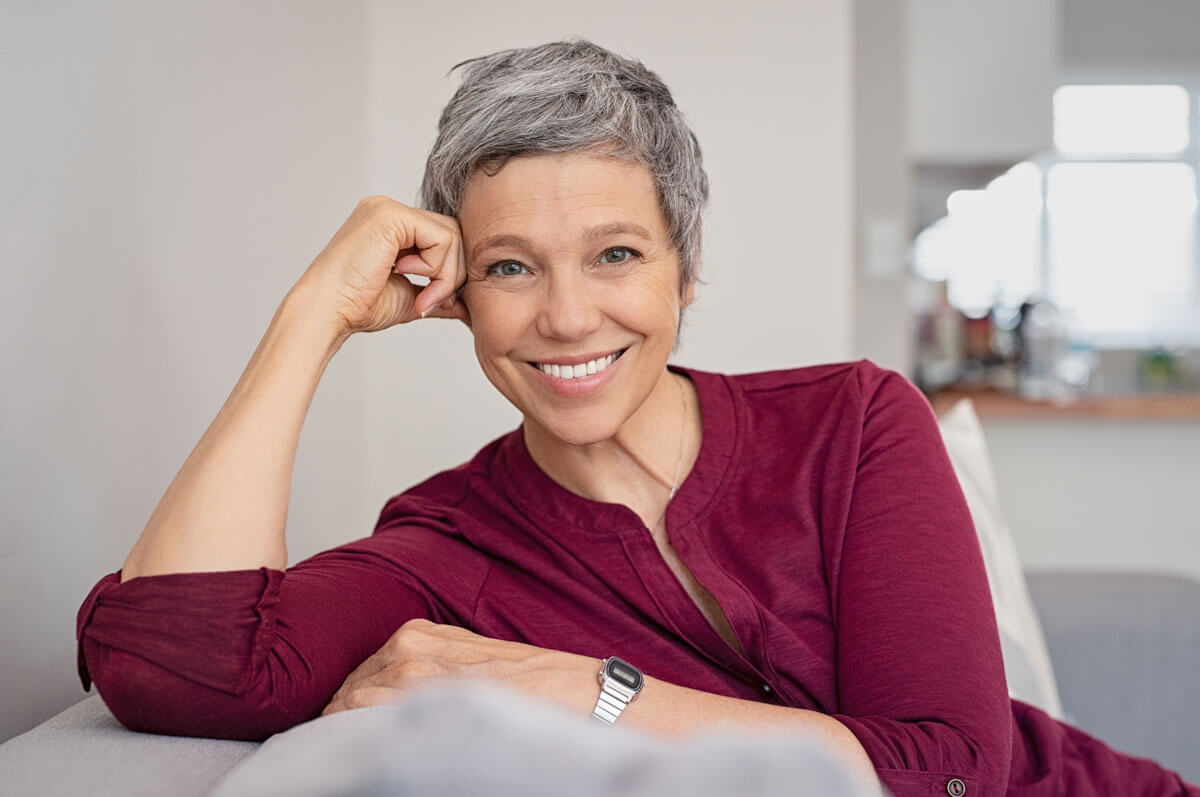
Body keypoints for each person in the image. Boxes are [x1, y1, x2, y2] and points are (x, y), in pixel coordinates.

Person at [76, 40, 1198, 797]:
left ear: (684, 269)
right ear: (455, 291)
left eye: (616, 254)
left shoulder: (854, 423)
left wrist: (595, 693)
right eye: (512, 265)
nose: (568, 317)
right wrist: (313, 312)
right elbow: (181, 663)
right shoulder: (444, 547)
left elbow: (953, 771)